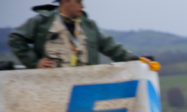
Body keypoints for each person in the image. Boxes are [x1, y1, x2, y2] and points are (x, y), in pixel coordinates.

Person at [8, 0, 139, 68]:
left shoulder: (89, 25)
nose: (83, 6)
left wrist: (137, 61)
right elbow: (16, 38)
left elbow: (112, 47)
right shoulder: (42, 21)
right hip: (50, 86)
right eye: (78, 1)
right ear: (65, 2)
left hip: (83, 87)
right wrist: (34, 62)